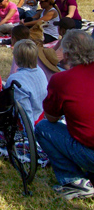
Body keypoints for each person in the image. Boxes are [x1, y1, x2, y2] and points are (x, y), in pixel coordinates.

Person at [35, 30, 94, 200]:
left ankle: (73, 181)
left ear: (66, 54)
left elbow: (51, 118)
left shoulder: (62, 80)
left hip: (88, 151)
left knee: (43, 128)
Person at [4, 39, 48, 125]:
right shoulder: (40, 71)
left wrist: (30, 136)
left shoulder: (16, 79)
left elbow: (25, 114)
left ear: (16, 58)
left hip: (29, 122)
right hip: (40, 113)